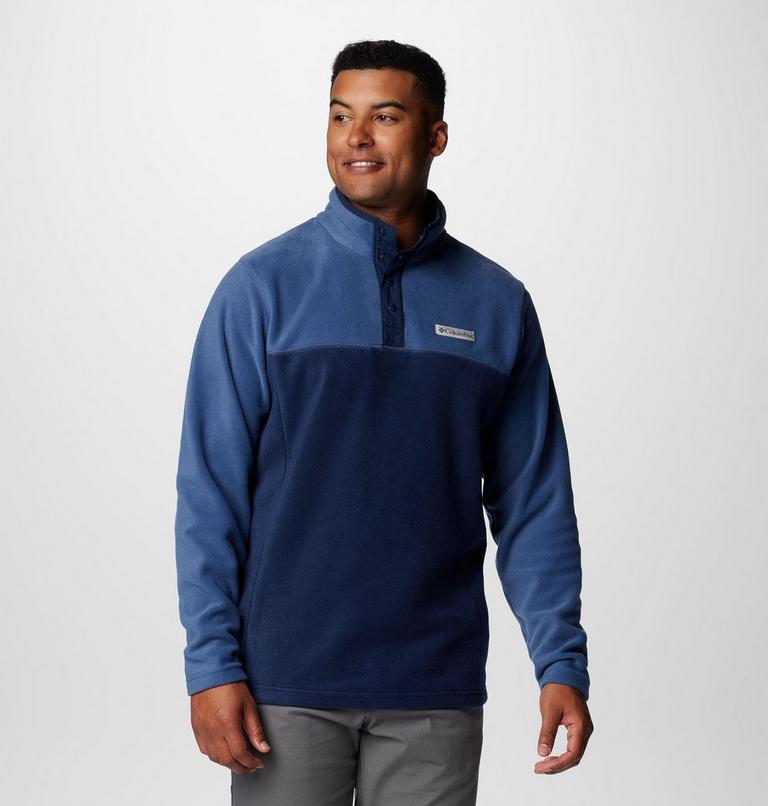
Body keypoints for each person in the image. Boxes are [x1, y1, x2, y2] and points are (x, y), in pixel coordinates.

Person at [174, 38, 594, 805]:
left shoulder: (497, 304)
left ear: (435, 135)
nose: (356, 137)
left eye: (385, 116)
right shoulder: (261, 289)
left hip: (434, 688)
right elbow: (211, 494)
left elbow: (534, 502)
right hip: (284, 687)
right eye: (341, 116)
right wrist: (211, 666)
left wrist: (560, 661)